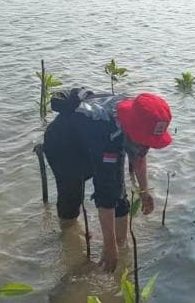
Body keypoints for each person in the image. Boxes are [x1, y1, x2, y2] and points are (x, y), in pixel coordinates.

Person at [43, 89, 173, 272]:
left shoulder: (137, 115)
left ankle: (122, 244)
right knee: (71, 199)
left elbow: (139, 154)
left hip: (98, 140)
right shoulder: (106, 130)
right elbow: (105, 196)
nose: (146, 145)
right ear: (131, 128)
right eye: (144, 140)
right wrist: (109, 246)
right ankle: (70, 242)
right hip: (64, 147)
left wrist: (144, 191)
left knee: (119, 195)